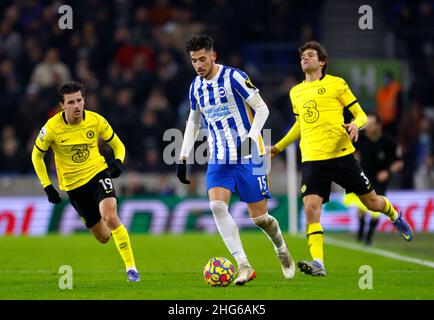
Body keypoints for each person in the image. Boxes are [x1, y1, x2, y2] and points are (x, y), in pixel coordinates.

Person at [269, 41, 413, 277]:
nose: (305, 58)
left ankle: (394, 216)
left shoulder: (337, 84)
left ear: (322, 61)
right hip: (313, 159)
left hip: (341, 156)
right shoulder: (296, 92)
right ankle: (318, 262)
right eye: (302, 56)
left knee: (372, 203)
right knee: (311, 208)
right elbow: (299, 125)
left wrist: (356, 126)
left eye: (310, 55)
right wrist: (278, 147)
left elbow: (361, 115)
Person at [177, 34, 295, 285]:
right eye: (194, 60)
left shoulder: (235, 77)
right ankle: (243, 265)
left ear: (213, 55)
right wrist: (183, 156)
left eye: (202, 59)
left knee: (260, 219)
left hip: (249, 155)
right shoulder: (195, 87)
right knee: (217, 206)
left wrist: (252, 138)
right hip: (219, 156)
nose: (198, 65)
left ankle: (281, 248)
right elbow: (194, 121)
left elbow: (262, 108)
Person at [31, 81, 140, 282]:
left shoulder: (96, 120)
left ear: (84, 100)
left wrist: (118, 162)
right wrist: (47, 186)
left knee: (110, 217)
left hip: (98, 174)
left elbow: (118, 145)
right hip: (73, 187)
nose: (77, 106)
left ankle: (131, 269)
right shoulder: (52, 128)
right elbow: (36, 156)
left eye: (79, 100)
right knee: (104, 237)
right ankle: (117, 234)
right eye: (71, 102)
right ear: (62, 105)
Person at [343, 113, 404, 245]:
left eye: (370, 125)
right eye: (366, 125)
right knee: (361, 209)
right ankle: (360, 234)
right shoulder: (361, 138)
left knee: (376, 210)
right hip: (363, 177)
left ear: (378, 125)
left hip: (380, 180)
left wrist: (387, 172)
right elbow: (354, 153)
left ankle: (368, 238)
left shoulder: (389, 141)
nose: (367, 128)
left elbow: (399, 162)